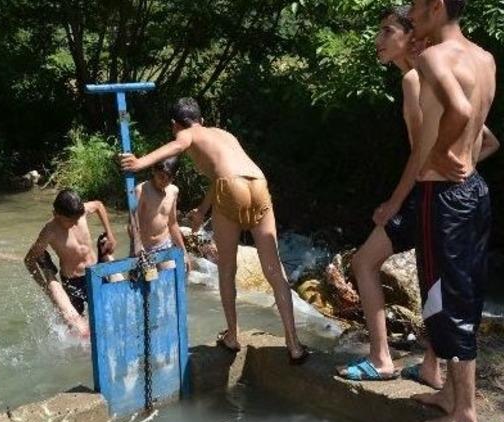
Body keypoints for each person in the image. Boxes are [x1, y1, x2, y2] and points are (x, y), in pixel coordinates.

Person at [339, 6, 499, 385]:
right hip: (452, 193)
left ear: (410, 35)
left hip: (427, 195)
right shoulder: (435, 72)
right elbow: (488, 138)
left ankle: (381, 359)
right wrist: (467, 163)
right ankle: (430, 366)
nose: (377, 41)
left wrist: (404, 195)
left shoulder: (416, 78)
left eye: (386, 32)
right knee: (439, 279)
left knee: (364, 263)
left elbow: (421, 153)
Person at [120, 98, 309, 364]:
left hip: (229, 186)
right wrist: (201, 211)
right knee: (274, 269)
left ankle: (232, 335)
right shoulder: (222, 134)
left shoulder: (185, 134)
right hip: (258, 182)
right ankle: (294, 344)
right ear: (202, 120)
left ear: (175, 125)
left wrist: (139, 163)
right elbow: (224, 175)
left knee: (227, 269)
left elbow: (181, 146)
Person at [404, 0, 496, 422]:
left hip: (443, 195)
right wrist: (462, 154)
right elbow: (481, 126)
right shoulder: (485, 58)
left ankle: (465, 417)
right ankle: (452, 400)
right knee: (465, 297)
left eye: (417, 4)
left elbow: (459, 112)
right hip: (475, 190)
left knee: (446, 299)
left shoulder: (432, 57)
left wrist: (439, 153)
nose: (411, 11)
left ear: (437, 6)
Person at [24, 189, 118, 337]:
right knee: (78, 331)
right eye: (71, 220)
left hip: (94, 272)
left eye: (77, 218)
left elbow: (99, 205)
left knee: (108, 318)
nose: (75, 223)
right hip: (72, 282)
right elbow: (29, 260)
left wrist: (110, 234)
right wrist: (44, 286)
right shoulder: (49, 231)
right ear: (56, 214)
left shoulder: (79, 212)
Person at [130, 156, 190, 272]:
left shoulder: (173, 191)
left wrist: (184, 253)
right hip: (143, 248)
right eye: (161, 177)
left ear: (175, 176)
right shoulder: (141, 190)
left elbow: (172, 224)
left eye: (169, 179)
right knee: (146, 287)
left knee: (170, 284)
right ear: (153, 171)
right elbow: (132, 224)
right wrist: (138, 247)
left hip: (164, 245)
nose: (164, 182)